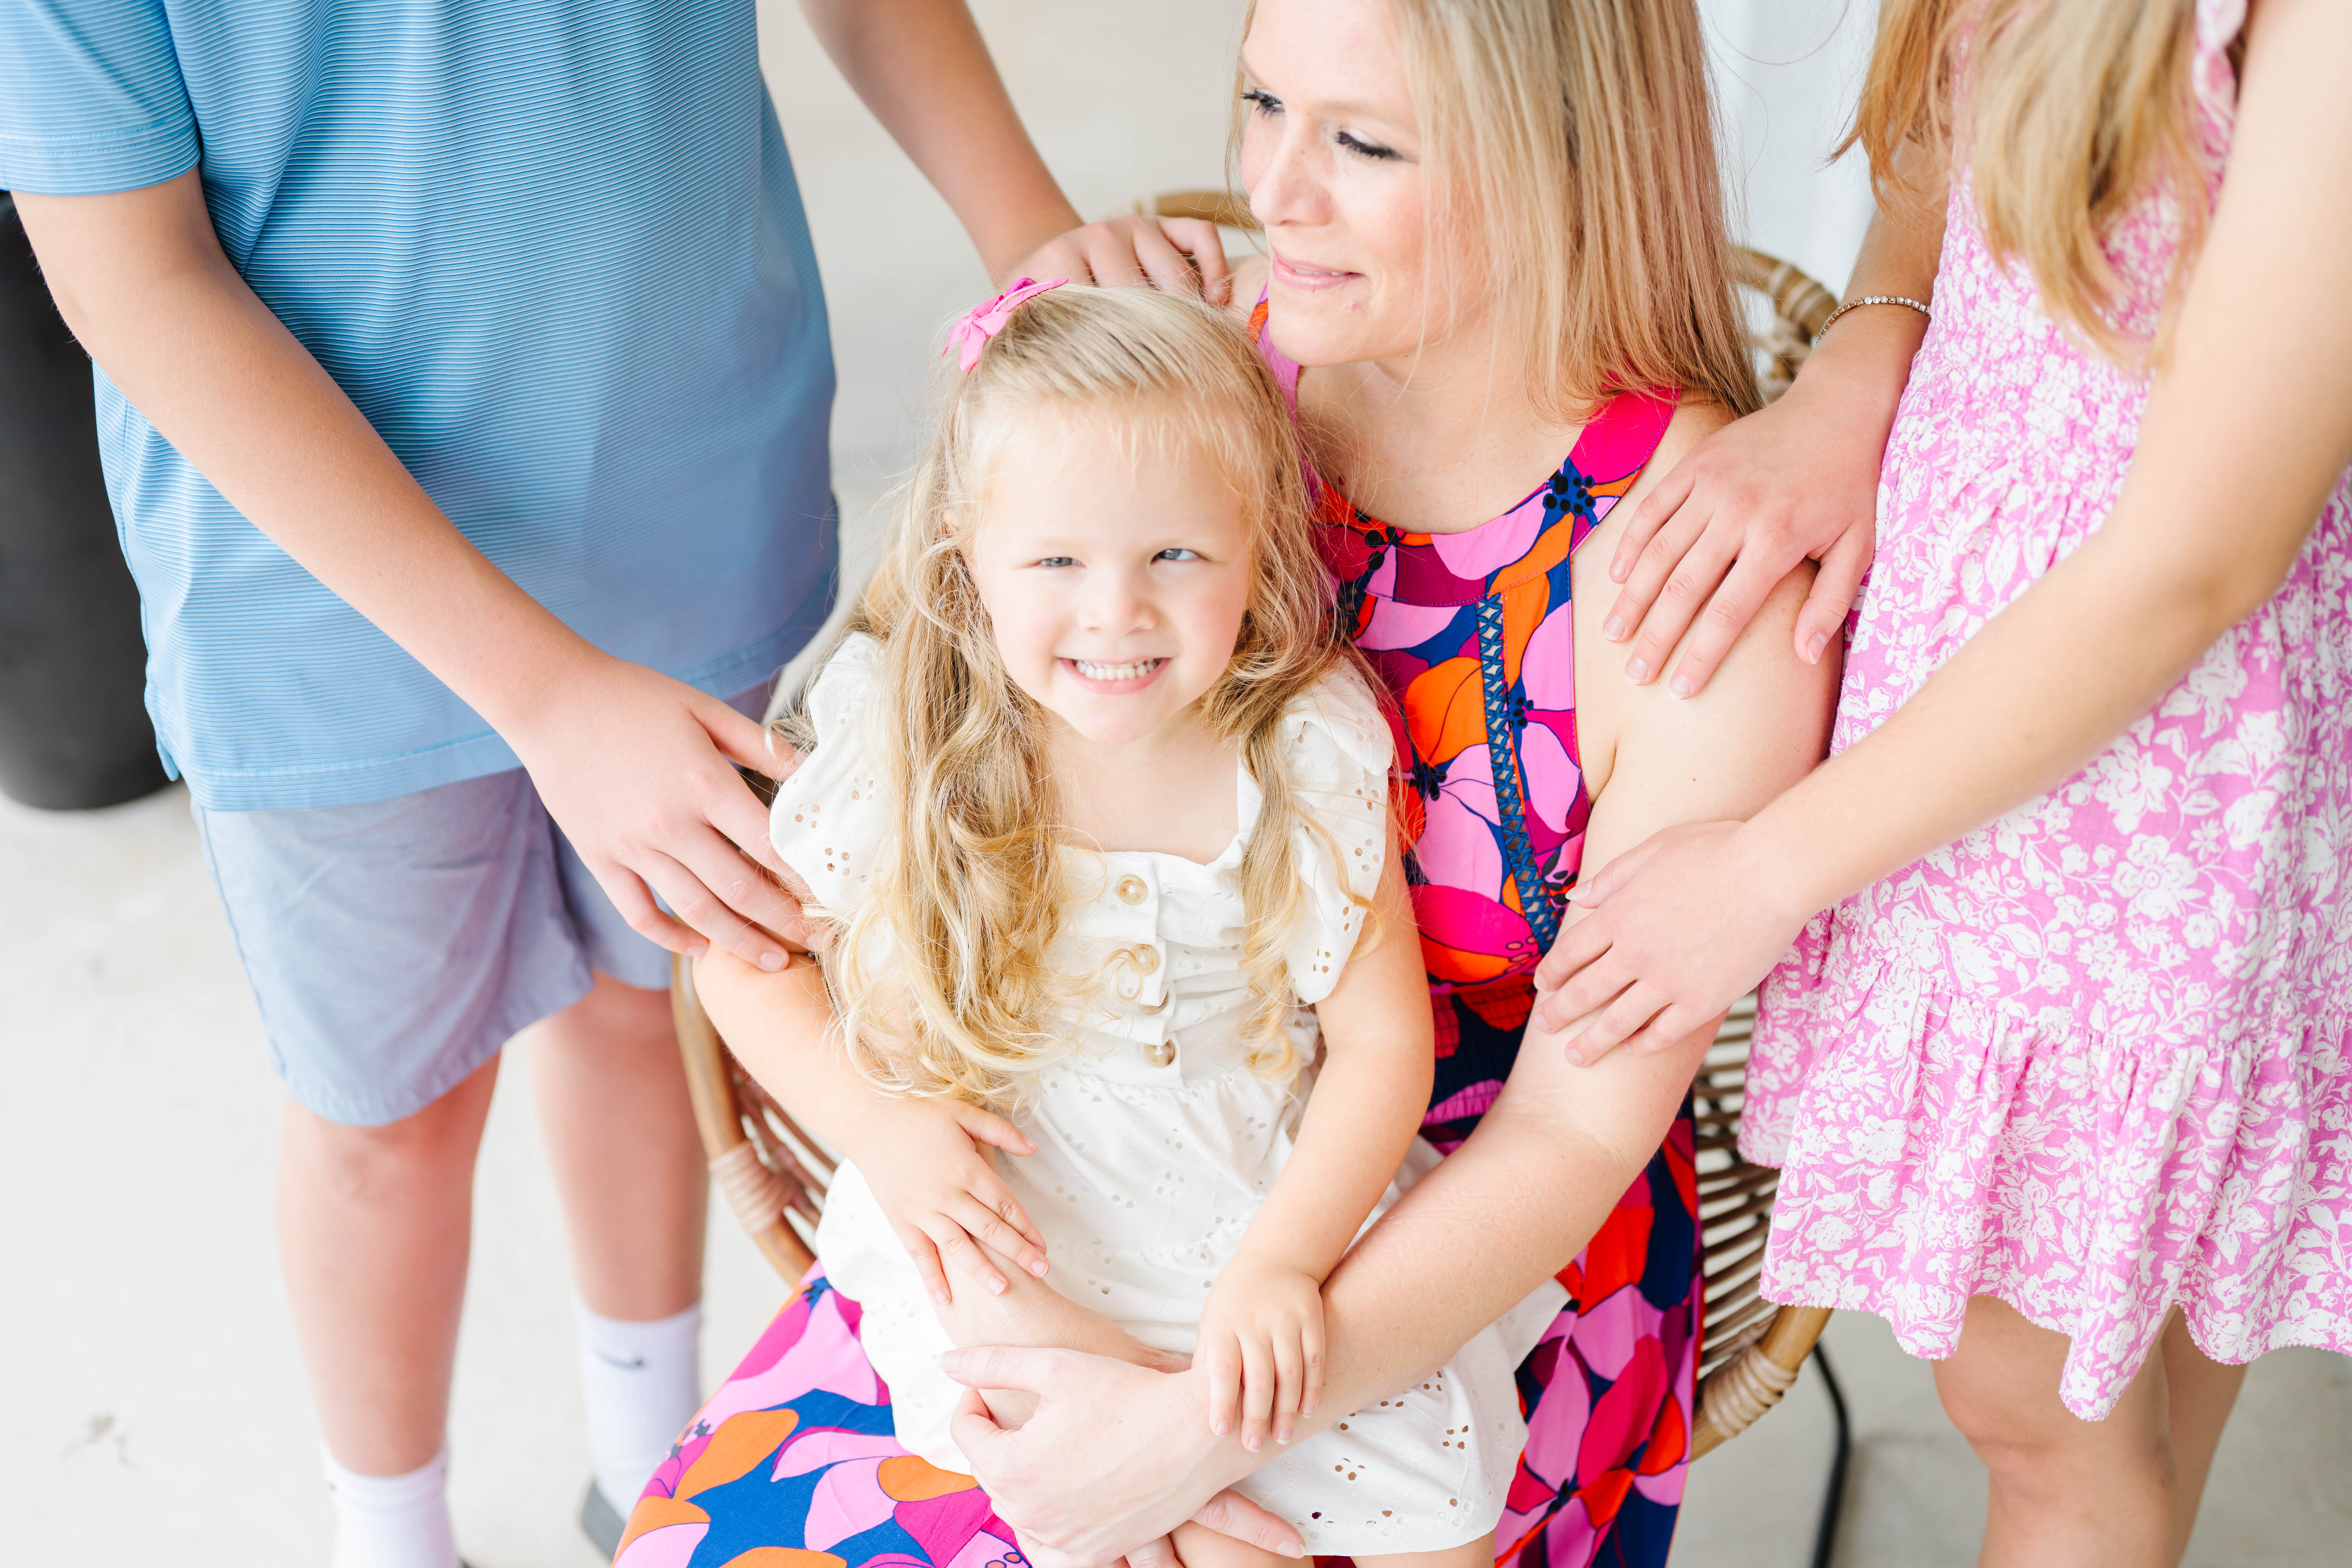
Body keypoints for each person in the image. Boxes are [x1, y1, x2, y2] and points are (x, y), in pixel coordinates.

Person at [2, 3, 1232, 1563]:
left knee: (658, 1006)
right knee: (392, 1111)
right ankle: (392, 1538)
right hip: (316, 608)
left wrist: (1024, 227)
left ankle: (647, 1460)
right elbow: (133, 277)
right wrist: (547, 698)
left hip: (692, 512)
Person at [639, 3, 1838, 1566]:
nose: (1276, 193)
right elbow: (900, 788)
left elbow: (1574, 1129)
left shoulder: (1687, 568)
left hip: (1457, 1255)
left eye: (1365, 143)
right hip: (1062, 1198)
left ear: (1562, 160)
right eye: (1266, 101)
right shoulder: (1186, 383)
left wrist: (1186, 1443)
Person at [1531, 0, 2352, 1563]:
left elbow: (2201, 554)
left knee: (2050, 1427)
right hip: (1985, 725)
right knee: (2114, 1405)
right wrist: (1870, 349)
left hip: (2139, 800)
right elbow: (1952, 109)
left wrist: (1768, 872)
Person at [732, 280, 1573, 1567]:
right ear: (967, 559)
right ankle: (1184, 1508)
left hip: (1253, 1202)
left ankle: (1191, 1484)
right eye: (1058, 560)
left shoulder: (1302, 749)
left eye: (1175, 555)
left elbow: (1385, 1045)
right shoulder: (910, 734)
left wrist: (1284, 1263)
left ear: (1256, 544)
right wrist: (881, 1131)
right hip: (1015, 1226)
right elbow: (742, 957)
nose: (1116, 611)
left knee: (1441, 1520)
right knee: (1096, 1449)